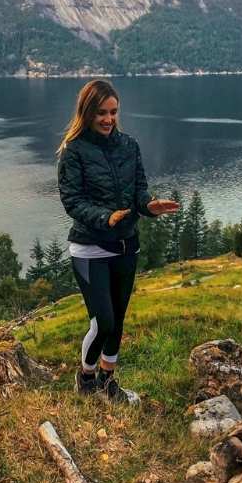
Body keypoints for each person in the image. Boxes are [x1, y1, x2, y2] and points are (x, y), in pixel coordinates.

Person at [57, 79, 180, 402]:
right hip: (90, 249)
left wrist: (150, 206)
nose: (108, 119)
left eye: (113, 112)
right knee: (104, 322)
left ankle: (108, 382)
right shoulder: (73, 151)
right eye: (101, 112)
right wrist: (105, 217)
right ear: (87, 112)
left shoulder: (129, 146)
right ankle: (86, 378)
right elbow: (73, 201)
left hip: (126, 245)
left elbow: (139, 191)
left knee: (118, 320)